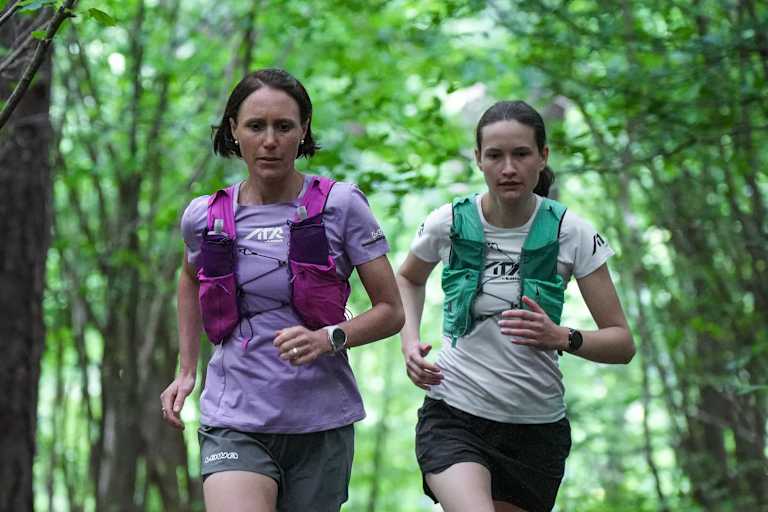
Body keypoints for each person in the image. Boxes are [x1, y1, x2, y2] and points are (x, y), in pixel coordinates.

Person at [160, 68, 404, 512]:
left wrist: (328, 338)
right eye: (255, 126)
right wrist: (187, 368)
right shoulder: (205, 216)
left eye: (283, 126)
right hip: (233, 415)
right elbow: (189, 277)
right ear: (233, 130)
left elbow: (391, 310)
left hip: (320, 420)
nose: (269, 140)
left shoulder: (342, 206)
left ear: (303, 130)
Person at [397, 100, 635, 512]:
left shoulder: (571, 232)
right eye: (495, 155)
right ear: (478, 160)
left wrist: (562, 336)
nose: (508, 168)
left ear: (543, 157)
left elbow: (622, 343)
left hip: (535, 428)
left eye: (521, 154)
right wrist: (410, 342)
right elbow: (408, 277)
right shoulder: (448, 223)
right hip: (454, 411)